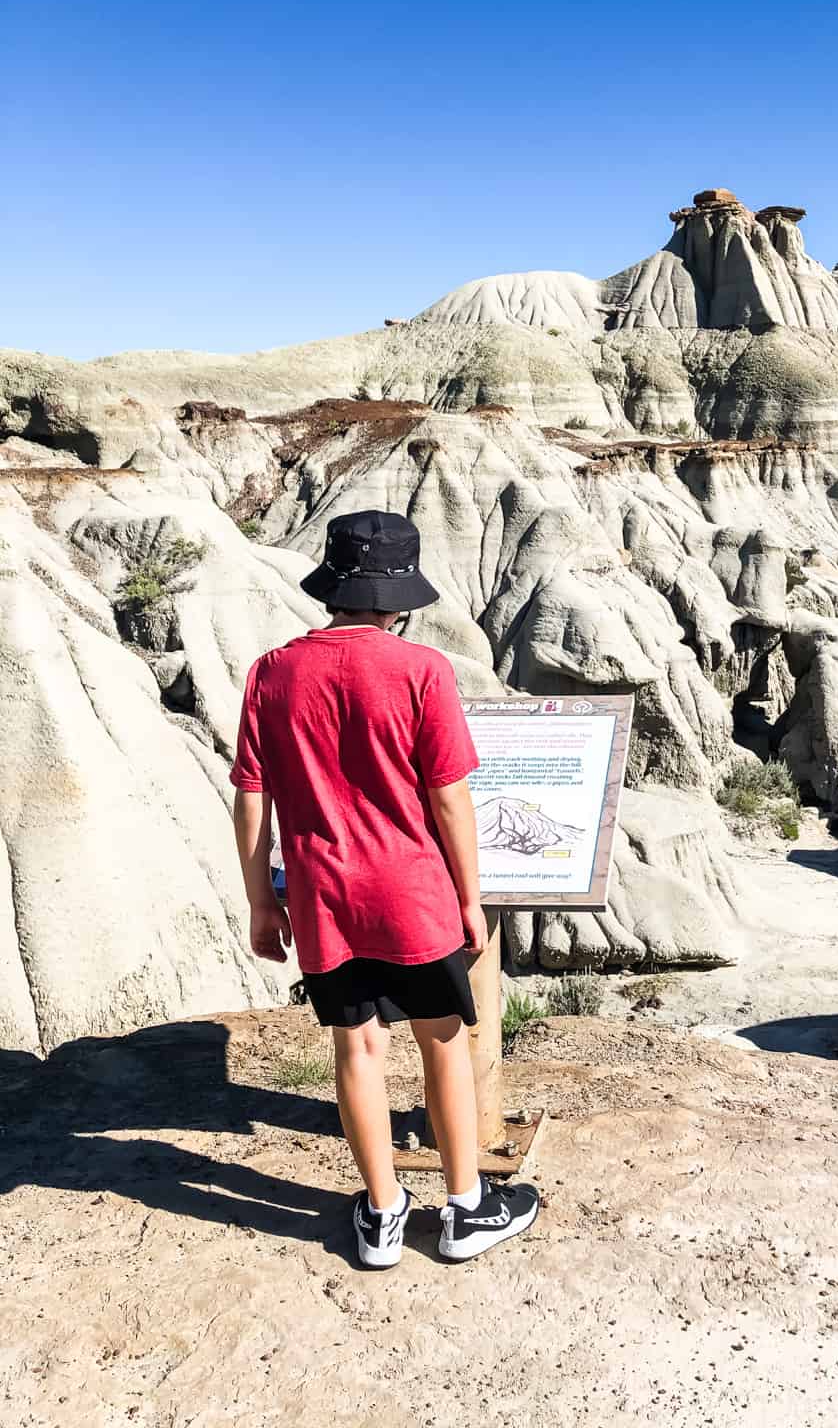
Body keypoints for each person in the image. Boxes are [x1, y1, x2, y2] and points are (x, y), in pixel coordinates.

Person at [230, 509, 539, 1268]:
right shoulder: (420, 671)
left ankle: (381, 1214)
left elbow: (250, 793)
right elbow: (449, 797)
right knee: (441, 1040)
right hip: (412, 892)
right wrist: (470, 896)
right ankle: (466, 1208)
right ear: (400, 597)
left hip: (323, 896)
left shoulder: (273, 671)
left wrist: (261, 899)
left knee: (357, 1047)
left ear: (333, 585)